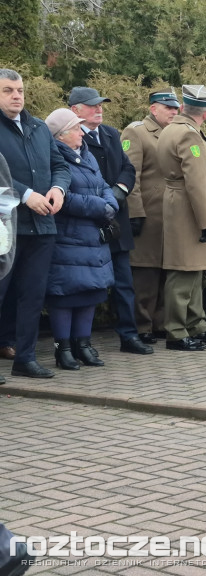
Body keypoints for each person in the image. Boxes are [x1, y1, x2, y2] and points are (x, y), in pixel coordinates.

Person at [69, 86, 153, 356]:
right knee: (87, 285)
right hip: (90, 224)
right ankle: (79, 341)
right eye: (92, 105)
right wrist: (103, 199)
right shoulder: (69, 138)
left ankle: (129, 335)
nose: (99, 109)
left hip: (118, 222)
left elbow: (128, 167)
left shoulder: (111, 134)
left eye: (100, 104)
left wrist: (120, 190)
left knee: (124, 284)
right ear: (75, 110)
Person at [0, 68, 71, 379]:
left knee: (32, 295)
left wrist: (58, 188)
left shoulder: (39, 127)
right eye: (8, 90)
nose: (16, 96)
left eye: (20, 90)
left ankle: (25, 359)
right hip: (5, 227)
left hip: (42, 226)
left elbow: (60, 165)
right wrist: (26, 195)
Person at [156, 85, 206, 351]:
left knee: (193, 270)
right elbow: (196, 183)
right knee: (183, 271)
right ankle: (177, 331)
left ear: (183, 108)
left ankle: (196, 325)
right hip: (189, 210)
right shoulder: (189, 135)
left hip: (179, 205)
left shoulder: (172, 129)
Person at [45, 108, 119, 370]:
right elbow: (62, 199)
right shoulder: (54, 158)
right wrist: (100, 207)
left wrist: (111, 204)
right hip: (68, 238)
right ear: (61, 135)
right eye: (76, 128)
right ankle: (63, 349)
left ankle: (83, 345)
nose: (81, 133)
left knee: (90, 291)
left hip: (92, 238)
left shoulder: (86, 155)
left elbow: (104, 185)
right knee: (65, 294)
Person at [123, 88, 180, 344]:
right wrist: (135, 212)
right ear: (153, 108)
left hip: (171, 216)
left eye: (175, 107)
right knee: (145, 273)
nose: (173, 111)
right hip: (148, 214)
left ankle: (160, 323)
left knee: (166, 271)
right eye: (168, 107)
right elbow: (130, 176)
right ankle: (141, 325)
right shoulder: (137, 132)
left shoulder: (175, 133)